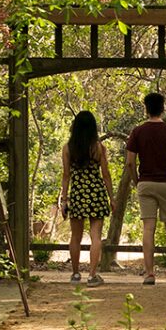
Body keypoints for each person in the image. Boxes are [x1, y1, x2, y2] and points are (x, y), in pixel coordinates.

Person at [124, 91, 166, 284]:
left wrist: (137, 182)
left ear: (146, 109)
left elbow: (129, 163)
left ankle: (150, 273)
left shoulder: (137, 132)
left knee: (148, 228)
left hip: (146, 183)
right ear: (163, 108)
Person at [57, 110, 112, 285]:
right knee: (96, 235)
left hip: (78, 194)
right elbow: (106, 175)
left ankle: (75, 274)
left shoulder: (68, 148)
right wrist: (112, 198)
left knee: (75, 236)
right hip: (96, 193)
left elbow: (66, 175)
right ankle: (92, 275)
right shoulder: (98, 147)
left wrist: (64, 199)